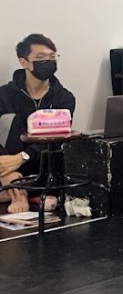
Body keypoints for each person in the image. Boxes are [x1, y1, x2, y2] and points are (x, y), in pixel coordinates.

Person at [0, 34, 76, 213]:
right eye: (41, 58)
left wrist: (23, 157)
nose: (48, 62)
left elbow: (58, 139)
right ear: (24, 62)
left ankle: (19, 191)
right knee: (11, 121)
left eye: (52, 57)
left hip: (44, 167)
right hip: (6, 164)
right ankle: (17, 188)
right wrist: (7, 167)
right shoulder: (4, 95)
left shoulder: (64, 98)